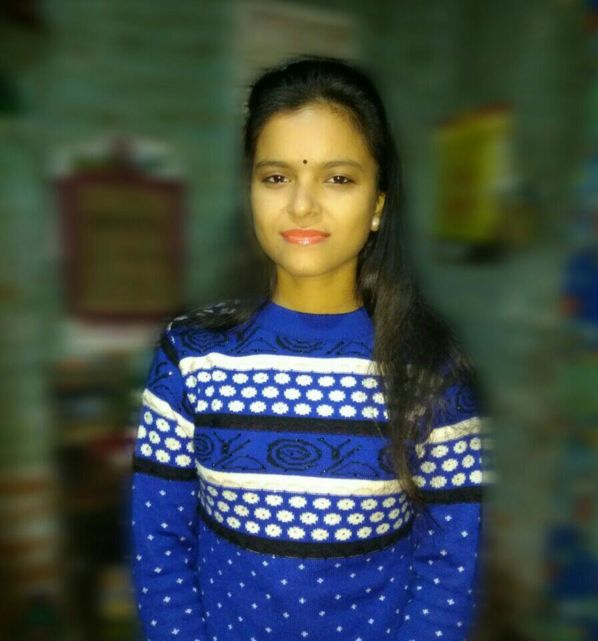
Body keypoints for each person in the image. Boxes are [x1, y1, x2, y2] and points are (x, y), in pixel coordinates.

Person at [129, 55, 489, 641]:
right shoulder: (190, 356)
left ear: (378, 204)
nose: (301, 205)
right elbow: (160, 547)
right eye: (276, 177)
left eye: (338, 178)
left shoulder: (431, 372)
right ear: (250, 191)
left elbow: (449, 567)